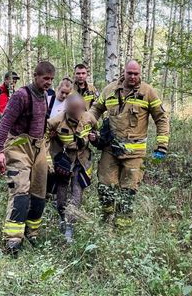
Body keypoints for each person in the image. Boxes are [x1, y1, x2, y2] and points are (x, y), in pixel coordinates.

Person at [89, 60, 170, 228]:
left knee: (127, 192)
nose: (133, 77)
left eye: (136, 74)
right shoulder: (109, 90)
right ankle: (106, 220)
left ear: (140, 74)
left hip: (135, 154)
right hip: (110, 149)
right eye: (130, 73)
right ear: (123, 72)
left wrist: (162, 145)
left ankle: (122, 229)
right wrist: (86, 125)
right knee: (105, 188)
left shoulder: (148, 92)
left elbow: (161, 118)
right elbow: (95, 109)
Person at [0, 61, 55, 255]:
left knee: (39, 193)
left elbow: (42, 124)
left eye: (51, 79)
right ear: (35, 76)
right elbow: (4, 123)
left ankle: (32, 233)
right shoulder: (21, 95)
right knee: (20, 191)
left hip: (38, 148)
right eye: (46, 78)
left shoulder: (44, 95)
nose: (49, 83)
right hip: (18, 146)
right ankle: (13, 240)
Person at [47, 94, 98, 243]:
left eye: (79, 110)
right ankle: (62, 218)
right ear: (66, 109)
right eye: (73, 111)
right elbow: (44, 137)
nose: (76, 114)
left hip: (82, 161)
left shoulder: (89, 118)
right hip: (63, 162)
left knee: (77, 192)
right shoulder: (55, 121)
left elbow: (97, 131)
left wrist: (95, 137)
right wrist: (51, 157)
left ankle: (70, 225)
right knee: (61, 193)